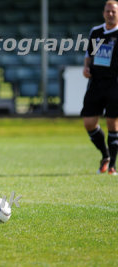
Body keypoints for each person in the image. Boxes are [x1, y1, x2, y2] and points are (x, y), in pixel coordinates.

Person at [81, 0, 118, 176]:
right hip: (96, 83)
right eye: (108, 11)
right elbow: (89, 54)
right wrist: (86, 68)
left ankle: (112, 166)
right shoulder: (96, 32)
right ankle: (105, 155)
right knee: (89, 123)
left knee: (113, 123)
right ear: (103, 12)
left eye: (114, 11)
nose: (110, 14)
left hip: (115, 84)